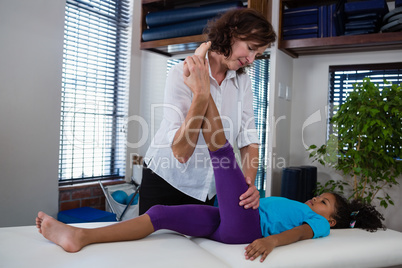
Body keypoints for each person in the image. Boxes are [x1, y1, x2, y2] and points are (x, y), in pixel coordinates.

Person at [36, 74, 385, 262]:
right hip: (227, 219)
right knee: (161, 213)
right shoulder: (302, 208)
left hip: (247, 230)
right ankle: (79, 236)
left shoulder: (319, 225)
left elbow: (298, 234)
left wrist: (270, 243)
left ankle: (202, 93)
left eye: (323, 202)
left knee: (223, 156)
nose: (314, 201)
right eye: (318, 198)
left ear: (332, 219)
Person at [139, 8, 277, 214]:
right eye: (250, 48)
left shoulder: (243, 81)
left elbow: (248, 139)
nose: (251, 59)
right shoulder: (181, 74)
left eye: (256, 54)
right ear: (232, 32)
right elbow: (181, 152)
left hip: (206, 190)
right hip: (166, 178)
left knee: (194, 246)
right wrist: (202, 93)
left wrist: (249, 184)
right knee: (155, 245)